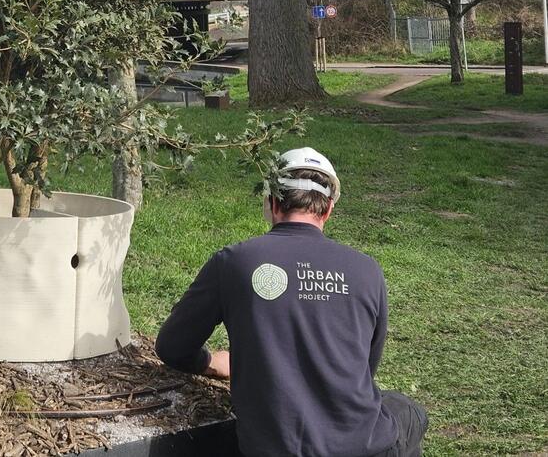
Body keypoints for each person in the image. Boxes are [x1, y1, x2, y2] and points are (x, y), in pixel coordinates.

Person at [155, 147, 427, 457]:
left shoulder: (233, 262)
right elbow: (366, 368)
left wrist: (211, 362)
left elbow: (172, 347)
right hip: (363, 446)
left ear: (272, 203)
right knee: (409, 412)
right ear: (328, 210)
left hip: (274, 449)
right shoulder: (366, 270)